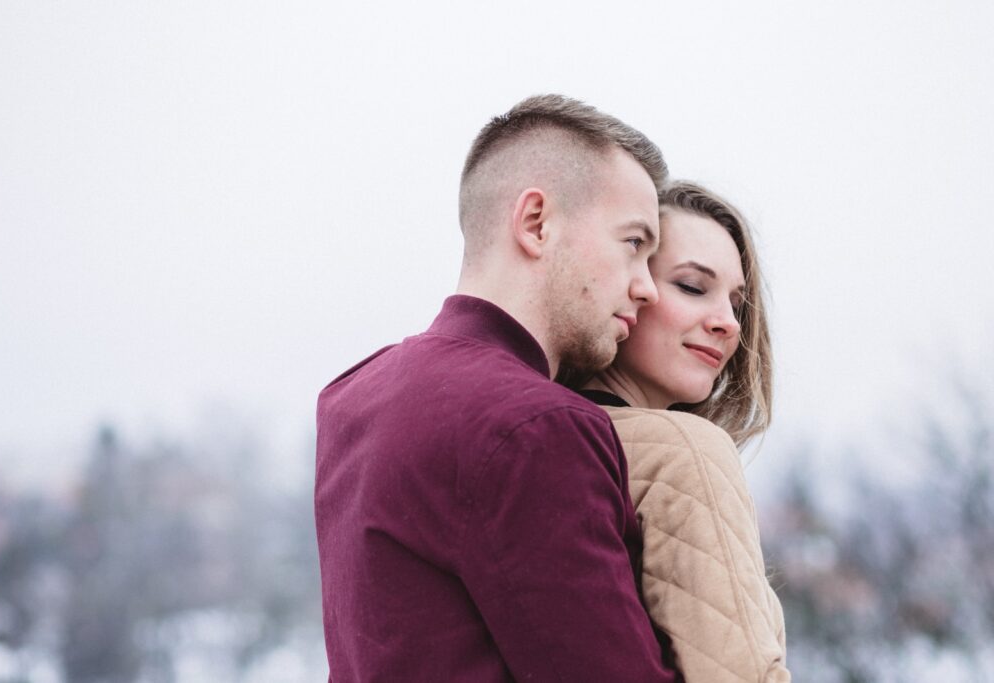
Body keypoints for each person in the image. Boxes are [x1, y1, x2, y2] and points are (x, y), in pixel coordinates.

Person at [315, 95, 680, 681]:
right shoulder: (536, 426)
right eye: (634, 244)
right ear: (536, 224)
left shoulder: (352, 394)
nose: (648, 289)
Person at [577, 180, 790, 682]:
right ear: (627, 288)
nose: (729, 324)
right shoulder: (687, 452)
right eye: (693, 287)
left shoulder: (534, 432)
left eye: (737, 304)